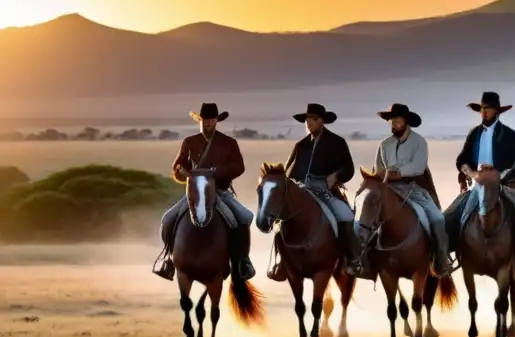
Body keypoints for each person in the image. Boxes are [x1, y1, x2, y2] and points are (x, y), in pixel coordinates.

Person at [153, 103, 255, 281]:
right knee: (168, 219)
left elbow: (239, 167)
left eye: (211, 120)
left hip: (220, 192)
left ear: (217, 121)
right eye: (204, 120)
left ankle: (242, 261)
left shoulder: (229, 143)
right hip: (195, 192)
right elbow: (177, 166)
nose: (207, 124)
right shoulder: (189, 142)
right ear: (199, 121)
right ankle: (168, 259)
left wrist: (216, 172)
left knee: (244, 217)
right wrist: (181, 172)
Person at [444, 92, 515, 276]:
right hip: (477, 184)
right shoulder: (474, 133)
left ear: (497, 111)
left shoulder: (511, 134)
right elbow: (461, 160)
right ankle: (445, 259)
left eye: (488, 109)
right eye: (482, 109)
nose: (484, 113)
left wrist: (504, 175)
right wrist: (470, 173)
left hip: (505, 184)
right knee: (449, 217)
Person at [268, 103, 365, 280]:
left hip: (326, 191)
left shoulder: (337, 142)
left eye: (314, 119)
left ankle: (352, 259)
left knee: (345, 216)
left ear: (322, 121)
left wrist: (335, 176)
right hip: (302, 192)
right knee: (282, 221)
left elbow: (348, 168)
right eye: (307, 120)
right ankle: (283, 262)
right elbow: (289, 173)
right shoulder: (300, 146)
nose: (309, 123)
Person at [373, 103, 453, 277]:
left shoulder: (419, 142)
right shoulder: (384, 144)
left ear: (406, 122)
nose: (394, 124)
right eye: (391, 121)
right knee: (367, 215)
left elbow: (417, 167)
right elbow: (378, 168)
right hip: (389, 188)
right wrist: (384, 176)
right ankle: (365, 260)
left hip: (414, 188)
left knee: (438, 219)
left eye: (397, 120)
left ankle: (441, 260)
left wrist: (395, 174)